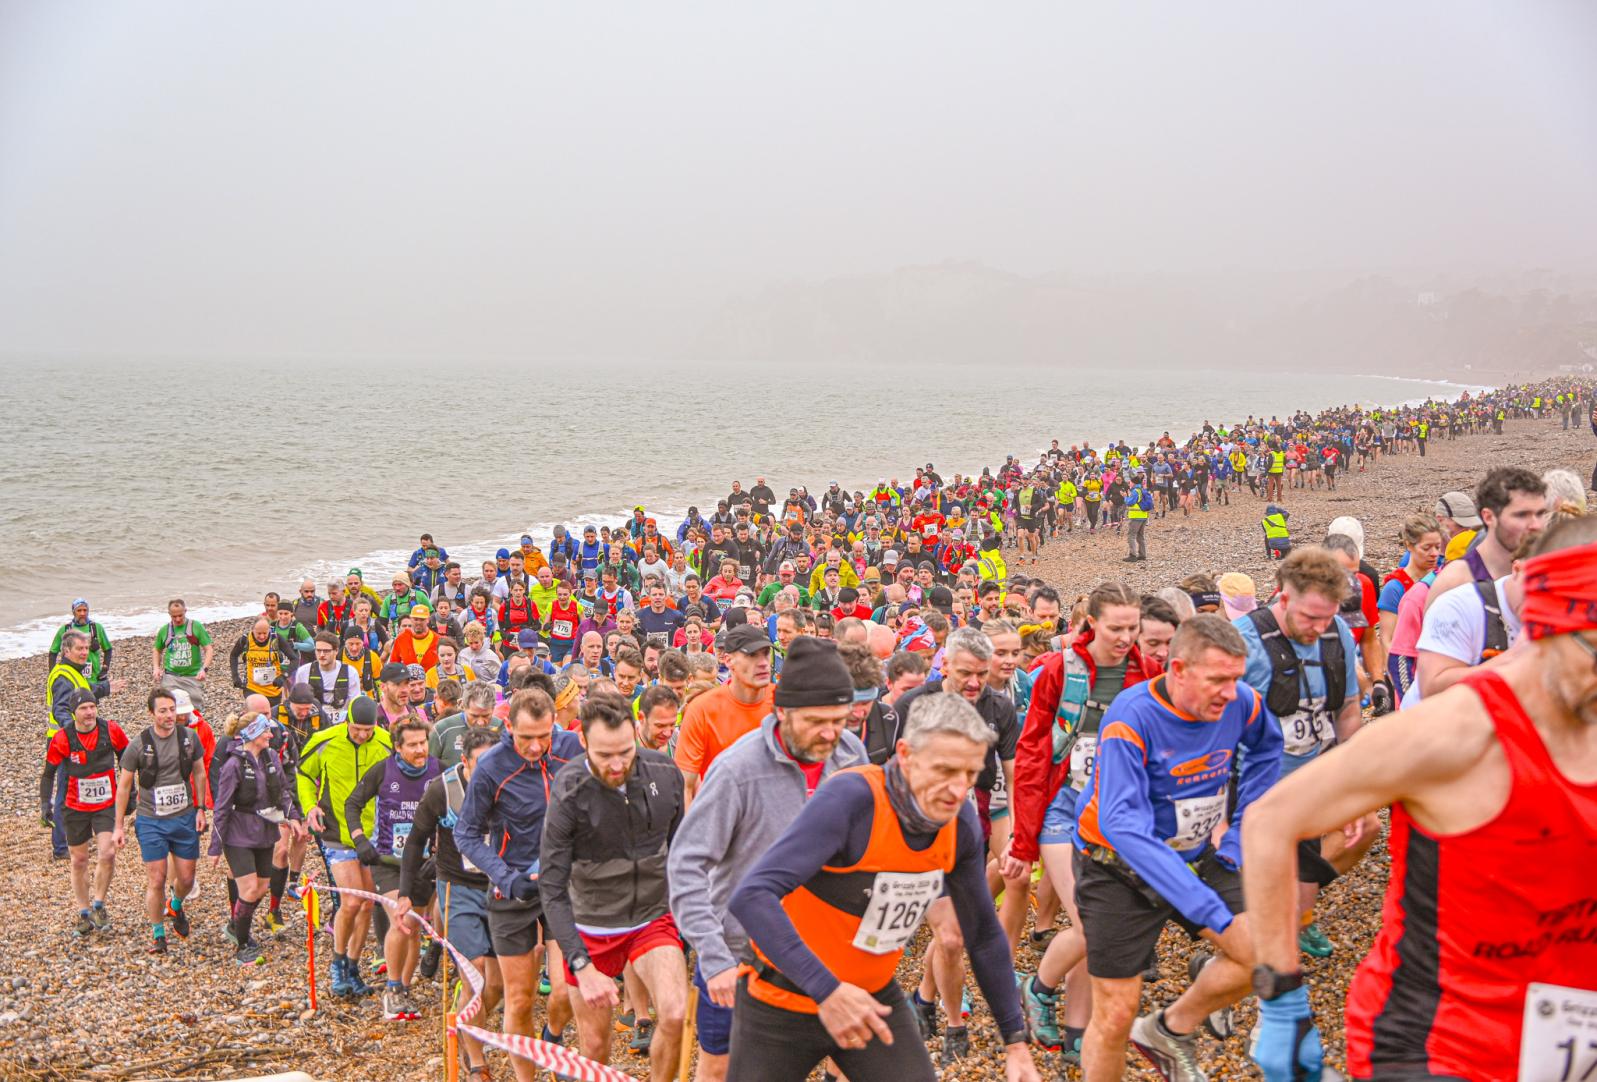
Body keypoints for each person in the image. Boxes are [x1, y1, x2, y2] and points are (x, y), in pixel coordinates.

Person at [1243, 521, 1597, 1082]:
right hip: (1438, 1046)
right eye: (1593, 648)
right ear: (1545, 623)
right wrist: (1281, 998)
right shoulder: (1456, 731)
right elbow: (1269, 821)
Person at [727, 693, 1040, 1082]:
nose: (958, 790)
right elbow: (751, 896)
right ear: (905, 755)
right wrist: (828, 991)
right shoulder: (853, 801)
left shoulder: (958, 823)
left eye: (970, 774)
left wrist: (1015, 1042)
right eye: (944, 770)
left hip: (871, 999)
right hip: (783, 1003)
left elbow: (983, 933)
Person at [1065, 616, 1281, 1081]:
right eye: (1217, 680)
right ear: (1178, 670)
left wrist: (1240, 834)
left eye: (1236, 678)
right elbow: (1121, 825)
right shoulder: (1131, 717)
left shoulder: (1241, 702)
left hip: (1199, 854)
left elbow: (1267, 750)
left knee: (1264, 953)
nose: (1230, 693)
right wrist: (1210, 913)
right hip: (1115, 867)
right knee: (1116, 1013)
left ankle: (1168, 1029)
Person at [667, 636, 867, 1082]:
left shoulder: (850, 754)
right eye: (816, 721)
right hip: (743, 954)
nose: (830, 734)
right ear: (783, 711)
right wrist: (713, 957)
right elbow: (686, 864)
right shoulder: (737, 770)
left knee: (845, 1055)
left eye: (839, 720)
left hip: (827, 947)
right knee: (721, 1066)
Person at [1006, 582, 1155, 1062]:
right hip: (1063, 807)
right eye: (1116, 628)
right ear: (1091, 623)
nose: (1125, 638)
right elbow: (1032, 755)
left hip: (1112, 816)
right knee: (1091, 921)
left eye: (1132, 628)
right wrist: (1023, 841)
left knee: (1092, 925)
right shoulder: (1058, 670)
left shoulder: (1147, 672)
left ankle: (1075, 1032)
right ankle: (1038, 987)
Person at [1234, 546, 1373, 961]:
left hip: (1312, 773)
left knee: (1360, 831)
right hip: (1256, 786)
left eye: (1327, 617)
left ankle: (1300, 919)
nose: (1318, 628)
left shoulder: (1336, 633)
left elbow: (1348, 709)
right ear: (1283, 597)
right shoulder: (1244, 641)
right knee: (1267, 889)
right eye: (1310, 617)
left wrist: (1352, 788)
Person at [539, 693, 687, 1079]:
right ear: (583, 741)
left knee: (675, 1015)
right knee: (595, 1045)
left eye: (626, 751)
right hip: (592, 925)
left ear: (635, 733)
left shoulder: (664, 772)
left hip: (651, 916)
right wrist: (580, 964)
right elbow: (552, 887)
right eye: (605, 755)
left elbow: (680, 852)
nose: (618, 765)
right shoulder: (569, 789)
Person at [894, 626, 1020, 1058]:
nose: (974, 682)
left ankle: (926, 999)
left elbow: (1011, 776)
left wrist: (1014, 834)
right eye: (965, 673)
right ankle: (954, 1026)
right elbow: (890, 772)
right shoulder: (914, 704)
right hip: (919, 834)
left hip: (972, 827)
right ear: (944, 665)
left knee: (958, 932)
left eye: (982, 674)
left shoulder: (999, 707)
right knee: (950, 937)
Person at [454, 688, 582, 1079]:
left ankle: (552, 1038)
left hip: (563, 886)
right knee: (521, 999)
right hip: (514, 889)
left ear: (554, 724)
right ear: (508, 727)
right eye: (526, 737)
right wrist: (506, 878)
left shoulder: (571, 748)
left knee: (566, 990)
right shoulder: (492, 766)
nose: (536, 747)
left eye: (544, 736)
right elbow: (466, 834)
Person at [296, 695, 394, 998]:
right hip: (336, 829)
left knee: (366, 903)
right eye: (356, 729)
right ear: (347, 722)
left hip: (373, 833)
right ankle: (337, 963)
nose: (362, 735)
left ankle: (353, 966)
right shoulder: (324, 740)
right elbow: (303, 773)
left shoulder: (386, 742)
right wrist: (309, 807)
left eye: (368, 730)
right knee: (351, 900)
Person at [345, 714, 440, 1021]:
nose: (420, 750)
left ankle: (404, 989)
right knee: (403, 921)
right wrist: (360, 839)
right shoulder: (383, 771)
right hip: (388, 862)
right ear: (397, 747)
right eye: (412, 745)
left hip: (423, 864)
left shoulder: (438, 771)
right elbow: (352, 804)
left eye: (423, 743)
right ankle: (392, 989)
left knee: (414, 930)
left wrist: (440, 852)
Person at [113, 687, 209, 954]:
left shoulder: (189, 738)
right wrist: (118, 826)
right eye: (163, 711)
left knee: (187, 879)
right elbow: (124, 786)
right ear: (151, 713)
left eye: (172, 710)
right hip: (151, 821)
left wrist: (201, 808)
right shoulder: (138, 745)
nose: (169, 715)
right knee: (157, 879)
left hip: (184, 817)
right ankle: (158, 935)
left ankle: (175, 905)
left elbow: (200, 773)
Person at [210, 711, 304, 964]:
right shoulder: (233, 765)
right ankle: (243, 945)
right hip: (238, 835)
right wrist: (215, 848)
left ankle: (236, 924)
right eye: (266, 731)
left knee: (262, 887)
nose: (271, 735)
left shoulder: (271, 757)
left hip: (265, 831)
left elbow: (283, 792)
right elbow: (221, 807)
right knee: (250, 888)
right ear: (252, 734)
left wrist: (294, 817)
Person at [42, 689, 129, 935]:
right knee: (79, 860)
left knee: (107, 853)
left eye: (92, 707)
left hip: (105, 805)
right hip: (75, 807)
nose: (89, 712)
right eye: (83, 708)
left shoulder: (111, 730)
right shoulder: (63, 738)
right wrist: (45, 804)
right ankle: (83, 911)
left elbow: (128, 761)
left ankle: (99, 905)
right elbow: (48, 774)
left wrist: (130, 795)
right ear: (74, 712)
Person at [673, 623, 775, 801]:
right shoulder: (701, 710)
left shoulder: (783, 704)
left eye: (766, 653)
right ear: (728, 660)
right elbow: (685, 787)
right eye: (752, 655)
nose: (763, 663)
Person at [1425, 466, 1548, 612]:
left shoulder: (1551, 573)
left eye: (1541, 514)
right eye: (1521, 515)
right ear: (1488, 517)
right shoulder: (1454, 583)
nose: (1536, 525)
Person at [43, 628, 120, 858]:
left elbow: (85, 691)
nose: (85, 652)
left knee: (78, 788)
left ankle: (73, 840)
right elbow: (60, 709)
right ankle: (60, 847)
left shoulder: (73, 671)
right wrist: (75, 735)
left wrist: (107, 688)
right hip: (63, 741)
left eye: (86, 648)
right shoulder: (62, 675)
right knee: (65, 792)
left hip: (68, 739)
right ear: (66, 651)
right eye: (80, 648)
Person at [152, 598, 215, 710]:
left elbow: (209, 649)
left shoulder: (196, 627)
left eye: (180, 615)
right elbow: (157, 650)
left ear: (185, 611)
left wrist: (204, 669)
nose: (177, 619)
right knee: (170, 708)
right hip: (171, 676)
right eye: (174, 616)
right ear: (169, 614)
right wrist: (156, 668)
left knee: (194, 710)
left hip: (192, 676)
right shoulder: (165, 630)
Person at [294, 632, 363, 722]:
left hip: (341, 722)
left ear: (336, 651)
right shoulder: (303, 672)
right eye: (318, 650)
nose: (322, 655)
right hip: (313, 721)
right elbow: (298, 701)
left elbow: (355, 703)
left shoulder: (350, 672)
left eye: (326, 651)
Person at [230, 617, 288, 711]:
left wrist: (283, 676)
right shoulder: (245, 639)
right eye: (259, 633)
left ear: (269, 630)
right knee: (255, 716)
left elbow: (294, 659)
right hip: (252, 688)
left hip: (273, 691)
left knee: (270, 716)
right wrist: (235, 677)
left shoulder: (276, 638)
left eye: (265, 633)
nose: (262, 637)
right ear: (252, 630)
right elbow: (233, 655)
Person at [49, 599, 112, 683]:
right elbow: (53, 653)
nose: (82, 613)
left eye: (85, 610)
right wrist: (53, 674)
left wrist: (104, 669)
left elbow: (108, 649)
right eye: (79, 610)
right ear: (73, 612)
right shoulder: (64, 629)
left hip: (94, 679)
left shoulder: (97, 628)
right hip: (71, 679)